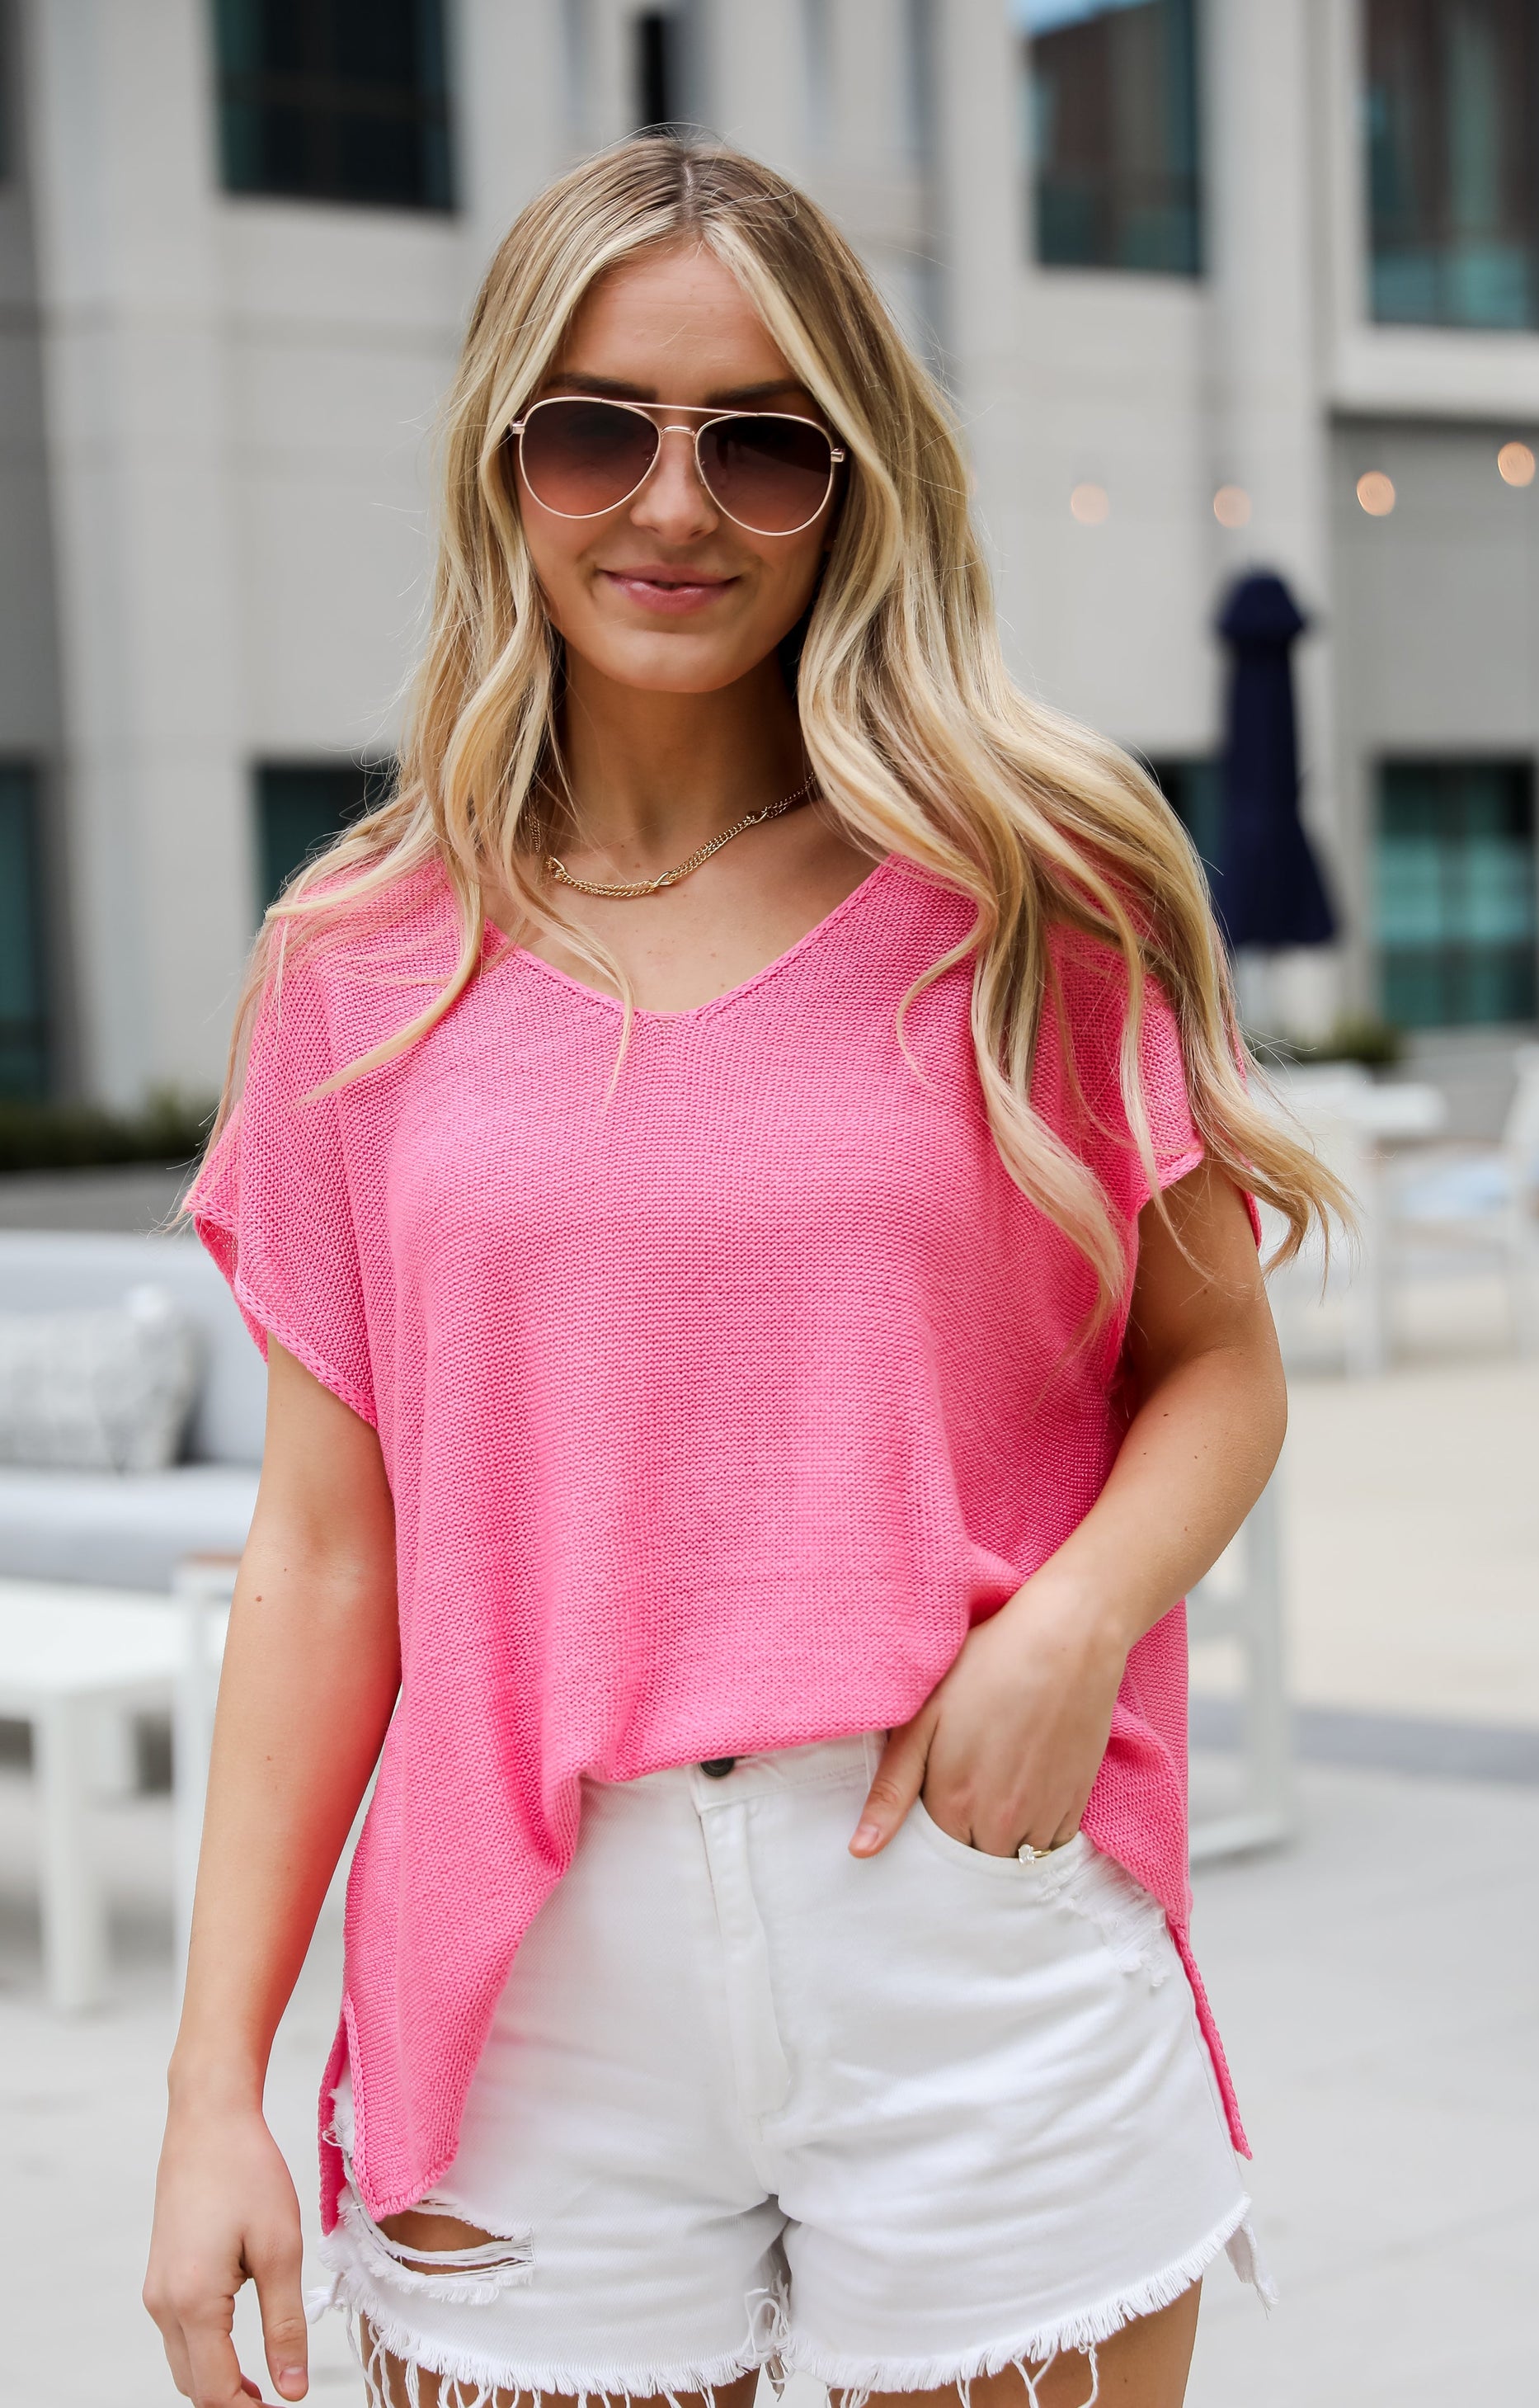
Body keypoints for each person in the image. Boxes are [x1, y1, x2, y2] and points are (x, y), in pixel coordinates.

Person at [144, 138, 1339, 2408]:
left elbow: (1217, 1369)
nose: (672, 506)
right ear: (506, 462)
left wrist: (1073, 1623)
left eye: (760, 441)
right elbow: (321, 1559)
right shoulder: (357, 966)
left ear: (850, 483)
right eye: (598, 427)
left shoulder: (1035, 889)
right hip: (520, 1969)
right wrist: (213, 2088)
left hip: (957, 1908)